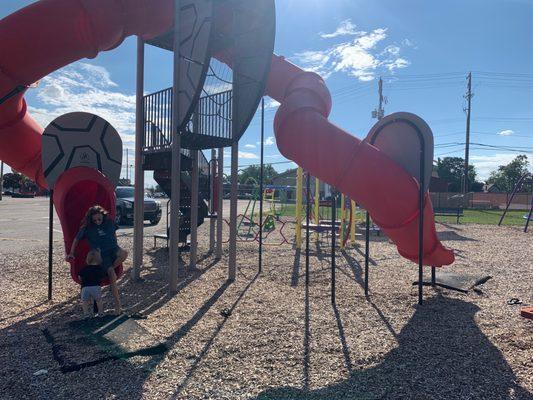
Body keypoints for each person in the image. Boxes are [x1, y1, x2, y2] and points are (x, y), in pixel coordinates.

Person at [66, 205, 127, 315]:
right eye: (95, 220)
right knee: (112, 275)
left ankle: (108, 269)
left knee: (124, 253)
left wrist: (115, 244)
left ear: (103, 216)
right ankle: (118, 305)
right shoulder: (87, 228)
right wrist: (71, 252)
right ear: (91, 220)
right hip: (102, 254)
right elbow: (76, 239)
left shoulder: (109, 222)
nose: (97, 221)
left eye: (99, 219)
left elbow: (113, 233)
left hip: (113, 248)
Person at [78, 249, 107, 317]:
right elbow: (104, 276)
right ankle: (100, 313)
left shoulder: (85, 269)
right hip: (96, 287)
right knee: (98, 300)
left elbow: (79, 276)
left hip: (85, 288)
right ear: (99, 259)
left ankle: (86, 314)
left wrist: (82, 281)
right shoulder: (100, 269)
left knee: (85, 301)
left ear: (88, 259)